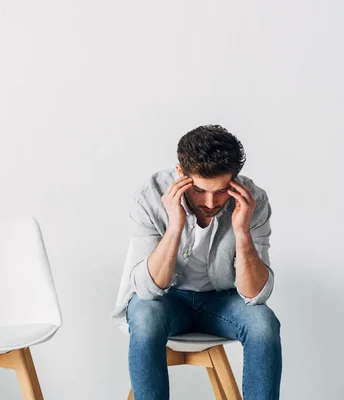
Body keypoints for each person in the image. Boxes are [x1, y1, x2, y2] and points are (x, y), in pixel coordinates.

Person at [112, 125, 282, 400]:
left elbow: (255, 295)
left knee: (263, 324)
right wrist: (175, 224)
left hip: (223, 301)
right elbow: (147, 290)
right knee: (144, 317)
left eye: (222, 190)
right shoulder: (151, 197)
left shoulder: (253, 201)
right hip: (167, 300)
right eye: (201, 190)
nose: (211, 202)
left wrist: (241, 230)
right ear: (181, 173)